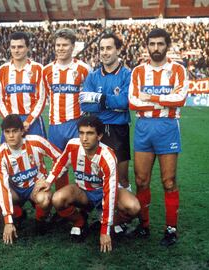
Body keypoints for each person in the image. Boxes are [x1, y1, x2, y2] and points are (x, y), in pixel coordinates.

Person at [37, 115, 137, 253]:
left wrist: (105, 230)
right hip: (83, 192)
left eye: (90, 133)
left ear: (99, 136)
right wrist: (48, 181)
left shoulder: (108, 156)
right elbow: (61, 163)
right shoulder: (73, 145)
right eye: (81, 133)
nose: (84, 138)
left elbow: (110, 193)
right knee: (57, 198)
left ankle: (109, 222)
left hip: (104, 192)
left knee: (133, 207)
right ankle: (80, 222)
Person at [128, 28, 188, 247]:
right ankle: (143, 226)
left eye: (160, 44)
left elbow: (180, 98)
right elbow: (133, 102)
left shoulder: (178, 70)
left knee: (168, 181)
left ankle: (170, 229)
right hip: (144, 127)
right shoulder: (138, 72)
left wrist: (151, 97)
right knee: (141, 180)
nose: (156, 48)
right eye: (152, 44)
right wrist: (164, 99)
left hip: (167, 127)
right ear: (147, 46)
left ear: (167, 46)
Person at [80, 32, 140, 233]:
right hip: (96, 130)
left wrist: (100, 99)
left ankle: (120, 218)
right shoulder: (93, 75)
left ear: (118, 50)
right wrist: (109, 103)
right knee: (96, 176)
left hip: (118, 131)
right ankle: (101, 214)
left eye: (109, 48)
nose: (105, 53)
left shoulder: (127, 75)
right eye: (102, 49)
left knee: (121, 178)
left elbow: (125, 102)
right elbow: (85, 102)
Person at [0, 115, 62, 244]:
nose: (11, 136)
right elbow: (3, 187)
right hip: (15, 191)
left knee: (45, 199)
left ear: (22, 131)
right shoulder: (0, 155)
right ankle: (18, 215)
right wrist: (8, 221)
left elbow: (60, 158)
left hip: (34, 188)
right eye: (7, 132)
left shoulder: (36, 142)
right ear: (3, 133)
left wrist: (48, 180)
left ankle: (40, 221)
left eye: (15, 131)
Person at [43, 28, 90, 189]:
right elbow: (44, 96)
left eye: (65, 45)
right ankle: (64, 210)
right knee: (59, 167)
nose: (60, 48)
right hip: (55, 125)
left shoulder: (84, 69)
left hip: (76, 124)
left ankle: (84, 204)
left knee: (82, 166)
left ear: (73, 47)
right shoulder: (47, 70)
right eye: (58, 45)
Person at [0, 32, 47, 141]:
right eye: (13, 47)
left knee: (35, 156)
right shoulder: (3, 69)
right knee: (9, 157)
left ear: (28, 48)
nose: (16, 50)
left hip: (32, 121)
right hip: (10, 121)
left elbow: (41, 98)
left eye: (20, 47)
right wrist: (10, 121)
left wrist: (28, 121)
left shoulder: (38, 68)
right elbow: (0, 99)